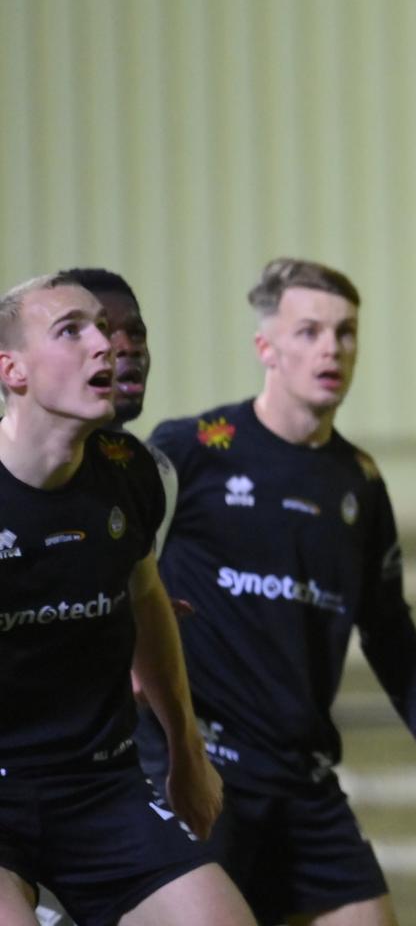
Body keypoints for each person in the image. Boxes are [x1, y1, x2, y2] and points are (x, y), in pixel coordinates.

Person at [137, 258, 416, 926]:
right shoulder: (195, 450)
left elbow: (389, 627)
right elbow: (115, 567)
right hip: (203, 769)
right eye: (309, 332)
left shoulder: (359, 482)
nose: (332, 348)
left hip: (306, 779)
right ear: (266, 347)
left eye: (346, 333)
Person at [0, 273, 253, 926]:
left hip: (100, 787)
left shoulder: (130, 472)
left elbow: (147, 601)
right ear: (13, 370)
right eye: (72, 330)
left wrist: (187, 756)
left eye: (105, 327)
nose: (105, 344)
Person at [32, 271, 177, 926]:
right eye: (93, 331)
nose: (122, 347)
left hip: (118, 755)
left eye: (133, 331)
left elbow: (145, 597)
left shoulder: (145, 471)